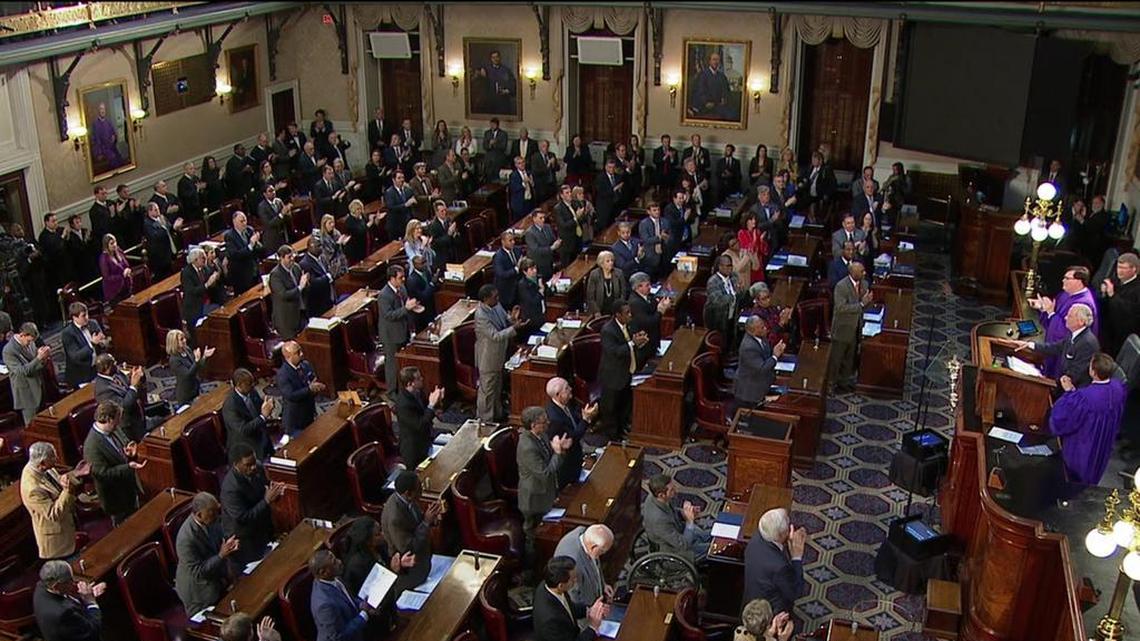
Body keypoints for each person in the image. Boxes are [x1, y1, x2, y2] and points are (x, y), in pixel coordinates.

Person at [1041, 352, 1128, 485]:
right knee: (1094, 465)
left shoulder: (1084, 398)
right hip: (1103, 441)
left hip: (1084, 443)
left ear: (1093, 372)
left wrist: (1069, 392)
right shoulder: (1118, 388)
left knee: (1076, 475)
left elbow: (1063, 417)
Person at [518, 406, 572, 561]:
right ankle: (530, 568)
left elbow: (549, 460)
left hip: (546, 492)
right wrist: (558, 452)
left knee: (548, 532)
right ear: (534, 425)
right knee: (533, 535)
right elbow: (545, 473)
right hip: (534, 498)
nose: (548, 423)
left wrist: (560, 449)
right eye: (544, 421)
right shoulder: (527, 446)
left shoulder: (541, 435)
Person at [1029, 266, 1099, 378]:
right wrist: (1042, 307)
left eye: (1067, 278)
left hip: (1068, 357)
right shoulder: (1067, 293)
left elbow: (1064, 332)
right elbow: (1054, 310)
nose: (1063, 280)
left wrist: (1050, 313)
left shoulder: (1083, 304)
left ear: (1079, 282)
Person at [22, 442, 88, 560]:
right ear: (42, 463)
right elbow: (53, 514)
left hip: (68, 527)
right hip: (58, 543)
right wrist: (67, 491)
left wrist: (75, 474)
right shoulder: (32, 488)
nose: (56, 459)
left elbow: (58, 482)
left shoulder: (43, 468)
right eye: (53, 458)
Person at [175, 492, 237, 616]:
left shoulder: (211, 520)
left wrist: (229, 544)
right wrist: (221, 555)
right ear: (199, 515)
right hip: (199, 593)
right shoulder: (186, 539)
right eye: (212, 513)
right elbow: (198, 572)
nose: (217, 515)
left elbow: (221, 537)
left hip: (217, 576)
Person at [221, 443, 284, 566]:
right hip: (245, 538)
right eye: (248, 465)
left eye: (254, 462)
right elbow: (243, 518)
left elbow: (266, 487)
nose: (254, 467)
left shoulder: (258, 468)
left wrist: (276, 490)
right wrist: (266, 501)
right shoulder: (230, 489)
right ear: (236, 465)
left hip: (262, 527)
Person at [83, 401, 145, 525]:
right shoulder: (92, 446)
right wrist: (128, 467)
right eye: (117, 420)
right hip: (116, 498)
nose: (119, 423)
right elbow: (102, 474)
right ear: (109, 420)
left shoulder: (114, 429)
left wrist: (129, 451)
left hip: (130, 489)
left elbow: (125, 442)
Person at [381, 471, 441, 592]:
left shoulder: (405, 499)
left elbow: (416, 521)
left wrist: (431, 518)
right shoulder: (395, 518)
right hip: (413, 572)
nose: (422, 491)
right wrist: (426, 522)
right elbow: (409, 548)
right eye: (419, 489)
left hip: (426, 557)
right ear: (408, 493)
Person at [1015, 303, 1100, 387]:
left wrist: (1051, 383)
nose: (1066, 318)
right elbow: (1055, 347)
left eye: (1070, 316)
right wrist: (1030, 345)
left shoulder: (1087, 343)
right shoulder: (1073, 334)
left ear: (1081, 322)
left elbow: (1077, 372)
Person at [474, 284, 525, 422]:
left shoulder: (496, 305)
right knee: (487, 391)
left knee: (497, 388)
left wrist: (513, 318)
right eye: (494, 297)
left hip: (499, 355)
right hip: (488, 357)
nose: (498, 298)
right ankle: (485, 420)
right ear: (485, 299)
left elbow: (505, 318)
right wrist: (514, 328)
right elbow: (495, 336)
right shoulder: (480, 315)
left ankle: (497, 414)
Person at [743, 508, 806, 618]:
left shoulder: (757, 537)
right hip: (769, 614)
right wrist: (796, 556)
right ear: (783, 535)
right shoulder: (779, 567)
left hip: (750, 597)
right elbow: (795, 592)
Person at [599, 302, 648, 439]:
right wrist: (633, 343)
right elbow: (615, 352)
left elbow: (632, 342)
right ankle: (612, 437)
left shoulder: (629, 325)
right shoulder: (608, 330)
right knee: (611, 408)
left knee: (624, 404)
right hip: (612, 376)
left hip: (626, 372)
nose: (630, 315)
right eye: (627, 313)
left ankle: (622, 429)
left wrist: (640, 339)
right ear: (618, 315)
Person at [641, 473, 712, 563]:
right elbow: (683, 545)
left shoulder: (654, 497)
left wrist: (684, 512)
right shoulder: (659, 519)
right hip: (675, 552)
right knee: (714, 550)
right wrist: (689, 521)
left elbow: (671, 511)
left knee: (712, 534)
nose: (676, 490)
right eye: (672, 490)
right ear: (661, 495)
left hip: (677, 532)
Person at [533, 556, 607, 641]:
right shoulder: (550, 620)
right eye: (573, 579)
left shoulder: (549, 585)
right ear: (561, 585)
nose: (576, 580)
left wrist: (589, 610)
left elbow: (567, 607)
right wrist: (593, 627)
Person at [545, 376, 597, 491]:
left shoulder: (565, 404)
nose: (571, 389)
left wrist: (584, 416)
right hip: (566, 463)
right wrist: (586, 419)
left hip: (575, 457)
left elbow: (574, 419)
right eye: (567, 388)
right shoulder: (555, 418)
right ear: (558, 395)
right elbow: (573, 437)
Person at [309, 549, 374, 641]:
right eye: (334, 562)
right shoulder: (324, 605)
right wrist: (364, 614)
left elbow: (348, 599)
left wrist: (361, 604)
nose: (339, 562)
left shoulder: (332, 578)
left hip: (355, 625)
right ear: (323, 572)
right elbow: (337, 637)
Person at [33, 560, 104, 641]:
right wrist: (90, 601)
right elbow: (93, 631)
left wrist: (80, 597)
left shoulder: (41, 586)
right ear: (56, 586)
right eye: (70, 580)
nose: (74, 583)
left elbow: (64, 597)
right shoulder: (63, 613)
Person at [828, 262, 871, 393]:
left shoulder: (864, 284)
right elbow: (841, 308)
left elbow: (865, 304)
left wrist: (867, 303)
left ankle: (844, 381)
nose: (865, 273)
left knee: (850, 358)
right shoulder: (841, 287)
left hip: (856, 327)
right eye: (862, 271)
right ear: (853, 273)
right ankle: (830, 385)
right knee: (837, 359)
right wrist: (862, 304)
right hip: (842, 328)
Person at [552, 524, 614, 609]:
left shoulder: (586, 535)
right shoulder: (573, 563)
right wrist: (591, 611)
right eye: (603, 551)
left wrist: (603, 585)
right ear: (593, 547)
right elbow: (574, 597)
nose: (603, 554)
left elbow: (595, 564)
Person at [378, 265, 420, 393]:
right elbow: (389, 315)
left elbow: (405, 304)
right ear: (392, 278)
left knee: (403, 361)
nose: (403, 279)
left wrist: (414, 307)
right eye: (400, 277)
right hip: (391, 335)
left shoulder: (402, 288)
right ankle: (391, 391)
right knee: (392, 364)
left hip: (404, 330)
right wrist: (406, 308)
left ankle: (404, 387)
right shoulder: (384, 295)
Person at [394, 366, 444, 470]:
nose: (422, 379)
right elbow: (420, 425)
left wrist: (437, 403)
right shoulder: (403, 404)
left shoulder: (418, 392)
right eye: (418, 378)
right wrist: (431, 405)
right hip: (414, 449)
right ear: (410, 383)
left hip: (426, 439)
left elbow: (425, 411)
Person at [93, 354, 149, 441]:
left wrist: (135, 376)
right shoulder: (102, 390)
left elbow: (127, 384)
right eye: (113, 363)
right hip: (128, 426)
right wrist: (133, 386)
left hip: (138, 415)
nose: (116, 364)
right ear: (106, 367)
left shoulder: (116, 373)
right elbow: (123, 406)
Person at [223, 368, 275, 459]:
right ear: (239, 385)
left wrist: (267, 406)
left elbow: (259, 407)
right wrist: (263, 416)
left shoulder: (252, 392)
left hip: (260, 434)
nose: (253, 386)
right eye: (249, 384)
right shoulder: (230, 406)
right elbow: (244, 430)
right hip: (246, 445)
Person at [735, 316, 785, 412]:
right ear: (753, 331)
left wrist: (776, 350)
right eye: (762, 328)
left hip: (764, 382)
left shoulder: (761, 337)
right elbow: (762, 368)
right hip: (751, 392)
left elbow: (766, 355)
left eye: (764, 326)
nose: (765, 328)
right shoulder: (748, 347)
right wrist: (775, 356)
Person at [4, 322, 50, 424]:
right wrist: (38, 358)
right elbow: (21, 371)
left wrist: (44, 359)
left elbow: (35, 364)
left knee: (45, 422)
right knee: (32, 425)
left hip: (38, 385)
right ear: (22, 335)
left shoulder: (31, 342)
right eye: (29, 341)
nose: (30, 343)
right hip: (26, 392)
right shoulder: (9, 350)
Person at [276, 341, 325, 435]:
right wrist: (309, 389)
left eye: (300, 350)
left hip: (309, 413)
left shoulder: (305, 365)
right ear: (288, 356)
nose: (301, 354)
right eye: (297, 352)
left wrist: (316, 388)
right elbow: (291, 395)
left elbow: (312, 380)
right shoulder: (283, 374)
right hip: (295, 420)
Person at [1100, 253, 1140, 357]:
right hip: (1108, 334)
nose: (1120, 271)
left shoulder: (1137, 288)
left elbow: (1129, 312)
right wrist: (1104, 294)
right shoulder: (1115, 281)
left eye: (1124, 268)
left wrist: (1112, 295)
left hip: (1122, 337)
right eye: (1118, 267)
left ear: (1134, 269)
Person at [60, 302, 106, 389]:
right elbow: (76, 357)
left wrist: (103, 342)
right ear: (74, 317)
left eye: (87, 314)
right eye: (83, 316)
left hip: (97, 370)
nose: (87, 318)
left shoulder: (93, 323)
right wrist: (92, 344)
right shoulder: (67, 333)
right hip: (82, 376)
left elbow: (104, 344)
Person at [629, 272, 671, 363]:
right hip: (644, 345)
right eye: (647, 285)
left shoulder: (647, 297)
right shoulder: (635, 303)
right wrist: (660, 311)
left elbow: (654, 307)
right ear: (638, 287)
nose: (650, 287)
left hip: (653, 341)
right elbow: (649, 323)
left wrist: (662, 303)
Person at [705, 255, 746, 348]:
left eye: (730, 266)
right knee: (721, 343)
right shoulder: (713, 282)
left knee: (731, 341)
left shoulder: (734, 277)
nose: (729, 269)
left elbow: (741, 295)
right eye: (726, 266)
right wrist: (734, 295)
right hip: (717, 319)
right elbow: (718, 300)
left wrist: (741, 290)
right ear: (720, 267)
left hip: (732, 316)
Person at [269, 245, 308, 340]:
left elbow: (304, 288)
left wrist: (306, 282)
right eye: (289, 257)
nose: (292, 259)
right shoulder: (275, 275)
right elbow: (283, 295)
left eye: (293, 256)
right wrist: (300, 287)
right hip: (286, 318)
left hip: (300, 312)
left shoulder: (296, 268)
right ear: (281, 258)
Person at [168, 329, 214, 407]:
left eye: (184, 338)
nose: (185, 340)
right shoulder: (174, 360)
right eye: (181, 339)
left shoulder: (187, 350)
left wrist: (204, 357)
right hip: (186, 393)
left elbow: (196, 368)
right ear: (174, 342)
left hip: (195, 387)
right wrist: (196, 361)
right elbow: (187, 375)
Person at [181, 247, 220, 335]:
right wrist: (207, 284)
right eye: (202, 258)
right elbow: (192, 291)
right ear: (195, 260)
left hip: (206, 302)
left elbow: (210, 282)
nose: (205, 259)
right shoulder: (186, 273)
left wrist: (214, 279)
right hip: (194, 307)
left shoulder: (204, 268)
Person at [142, 202, 182, 279]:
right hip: (160, 256)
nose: (158, 211)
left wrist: (175, 227)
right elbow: (156, 236)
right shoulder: (147, 224)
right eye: (156, 210)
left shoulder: (162, 218)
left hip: (170, 250)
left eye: (158, 209)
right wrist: (167, 228)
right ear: (150, 212)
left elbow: (170, 229)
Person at [299, 238, 336, 318]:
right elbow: (312, 283)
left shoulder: (321, 258)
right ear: (311, 247)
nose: (321, 248)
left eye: (321, 245)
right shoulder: (304, 264)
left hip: (327, 300)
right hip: (317, 305)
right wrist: (328, 277)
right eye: (318, 246)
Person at [583, 251, 628, 317]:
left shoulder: (619, 273)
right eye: (608, 261)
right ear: (601, 263)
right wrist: (596, 311)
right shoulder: (594, 274)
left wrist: (619, 309)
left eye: (612, 260)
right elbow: (590, 297)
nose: (611, 263)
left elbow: (623, 293)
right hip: (599, 309)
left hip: (615, 309)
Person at [552, 185, 582, 269]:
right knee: (568, 268)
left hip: (577, 239)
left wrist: (582, 215)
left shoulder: (575, 203)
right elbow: (564, 225)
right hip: (567, 243)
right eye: (567, 193)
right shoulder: (558, 209)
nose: (570, 194)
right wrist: (576, 217)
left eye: (570, 192)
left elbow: (581, 219)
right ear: (562, 195)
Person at [515, 257, 547, 336]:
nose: (535, 271)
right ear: (525, 272)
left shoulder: (539, 279)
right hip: (531, 318)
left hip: (541, 314)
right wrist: (540, 292)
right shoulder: (522, 285)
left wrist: (552, 285)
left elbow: (548, 292)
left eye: (535, 268)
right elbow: (531, 301)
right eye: (532, 269)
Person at [525, 209, 559, 280]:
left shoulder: (547, 227)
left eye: (544, 217)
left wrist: (557, 242)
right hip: (539, 264)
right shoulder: (530, 233)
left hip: (549, 261)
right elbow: (536, 250)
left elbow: (553, 240)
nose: (543, 220)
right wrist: (551, 248)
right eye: (540, 218)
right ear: (534, 219)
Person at [383, 171, 417, 244]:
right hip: (396, 226)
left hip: (407, 223)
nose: (402, 180)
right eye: (399, 178)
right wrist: (405, 205)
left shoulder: (408, 190)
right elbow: (391, 208)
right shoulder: (389, 192)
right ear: (393, 180)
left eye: (403, 178)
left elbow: (413, 201)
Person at [98, 233, 133, 303]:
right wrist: (122, 275)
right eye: (111, 243)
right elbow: (107, 277)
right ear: (106, 245)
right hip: (115, 291)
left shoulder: (119, 251)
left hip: (126, 287)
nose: (114, 245)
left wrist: (127, 270)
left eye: (115, 242)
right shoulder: (104, 258)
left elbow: (126, 264)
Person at [493, 230, 523, 308]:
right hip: (506, 291)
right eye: (510, 240)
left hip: (518, 288)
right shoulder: (498, 257)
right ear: (503, 242)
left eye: (513, 240)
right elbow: (501, 274)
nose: (513, 242)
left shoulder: (517, 250)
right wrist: (516, 269)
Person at [343, 199, 377, 265]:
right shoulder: (349, 221)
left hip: (366, 244)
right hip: (356, 248)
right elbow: (359, 231)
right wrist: (369, 223)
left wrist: (375, 221)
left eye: (361, 209)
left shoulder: (362, 217)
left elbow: (368, 228)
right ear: (353, 210)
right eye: (358, 209)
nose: (360, 211)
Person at [594, 159, 624, 231]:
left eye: (613, 167)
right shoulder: (600, 178)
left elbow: (621, 192)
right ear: (606, 167)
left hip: (615, 207)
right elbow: (602, 192)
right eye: (610, 167)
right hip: (604, 207)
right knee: (604, 229)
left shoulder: (618, 177)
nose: (612, 169)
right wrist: (615, 189)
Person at [508, 156, 535, 221]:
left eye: (523, 162)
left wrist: (532, 183)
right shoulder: (514, 175)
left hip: (529, 202)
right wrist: (524, 183)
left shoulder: (529, 173)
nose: (522, 164)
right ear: (516, 165)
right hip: (520, 204)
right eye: (519, 163)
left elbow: (533, 186)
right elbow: (514, 188)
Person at [483, 118, 509, 182]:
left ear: (497, 125)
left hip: (498, 159)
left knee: (497, 178)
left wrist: (495, 143)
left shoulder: (503, 134)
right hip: (489, 159)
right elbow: (484, 146)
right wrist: (490, 144)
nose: (492, 126)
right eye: (491, 124)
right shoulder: (487, 133)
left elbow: (503, 147)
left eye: (493, 124)